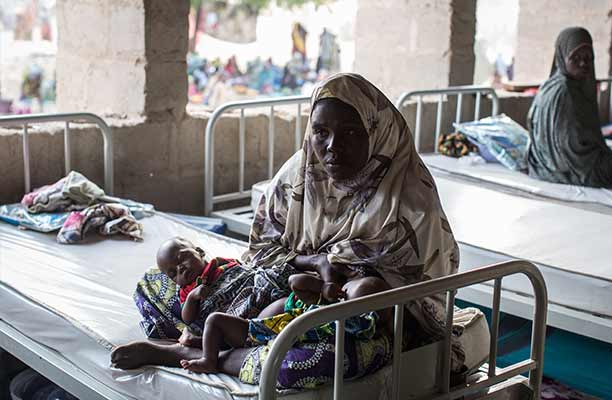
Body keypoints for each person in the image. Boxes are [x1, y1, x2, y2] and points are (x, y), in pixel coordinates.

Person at [112, 73, 463, 385]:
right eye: (320, 132)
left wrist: (338, 281)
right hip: (286, 283)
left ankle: (195, 353)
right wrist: (310, 265)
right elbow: (262, 252)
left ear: (377, 132)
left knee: (299, 363)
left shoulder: (410, 199)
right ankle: (210, 341)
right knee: (155, 285)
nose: (331, 148)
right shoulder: (299, 173)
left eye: (352, 133)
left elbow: (421, 299)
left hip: (365, 320)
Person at [156, 237, 383, 373]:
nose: (180, 270)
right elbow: (188, 318)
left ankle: (325, 282)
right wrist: (194, 297)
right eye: (172, 273)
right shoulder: (187, 290)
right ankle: (208, 359)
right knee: (215, 322)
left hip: (263, 290)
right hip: (244, 313)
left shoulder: (220, 264)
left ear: (199, 251)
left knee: (282, 275)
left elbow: (248, 269)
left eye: (181, 259)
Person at [526, 27, 612, 187]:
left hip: (552, 163)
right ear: (562, 57)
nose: (583, 63)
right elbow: (571, 156)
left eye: (588, 57)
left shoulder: (561, 85)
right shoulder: (564, 92)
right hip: (564, 168)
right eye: (575, 58)